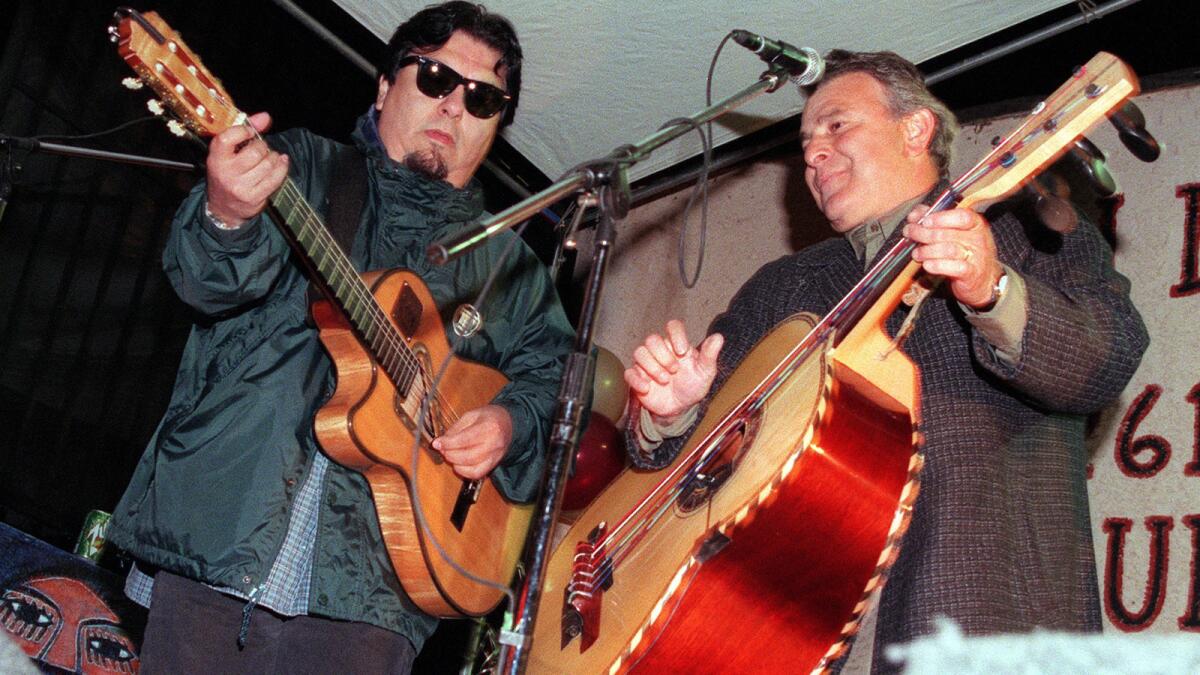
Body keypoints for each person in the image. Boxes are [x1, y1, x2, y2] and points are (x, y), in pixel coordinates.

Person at [624, 50, 1148, 672]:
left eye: (837, 126)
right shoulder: (780, 287)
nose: (813, 154)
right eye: (807, 140)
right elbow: (678, 480)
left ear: (916, 129)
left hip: (983, 620)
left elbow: (1106, 356)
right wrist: (673, 417)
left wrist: (992, 289)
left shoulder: (1021, 233)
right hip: (784, 641)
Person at [106, 2, 574, 672]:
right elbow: (204, 281)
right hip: (225, 544)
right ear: (385, 86)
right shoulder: (301, 168)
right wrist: (227, 215)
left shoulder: (511, 271)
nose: (452, 109)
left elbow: (560, 384)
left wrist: (508, 422)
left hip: (378, 598)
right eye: (436, 80)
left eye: (482, 99)